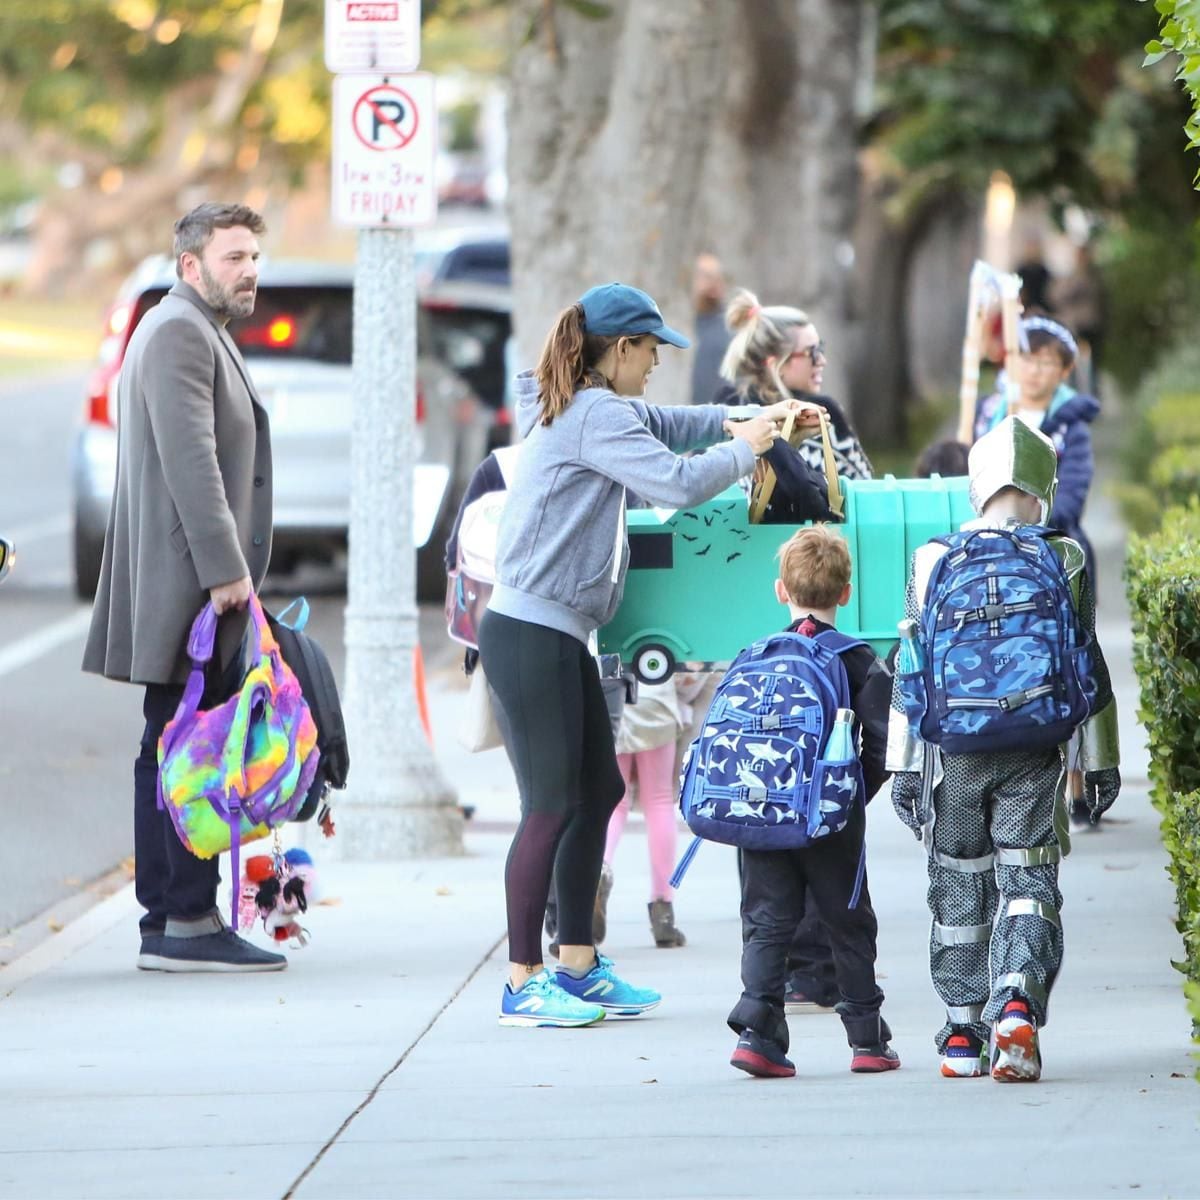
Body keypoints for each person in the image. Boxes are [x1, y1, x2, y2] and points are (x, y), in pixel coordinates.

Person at [480, 281, 814, 1028]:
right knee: (547, 808)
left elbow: (673, 421)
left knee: (599, 793)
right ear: (621, 348)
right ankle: (521, 978)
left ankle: (576, 964)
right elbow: (677, 480)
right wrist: (745, 448)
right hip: (530, 631)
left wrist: (754, 417)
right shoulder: (594, 413)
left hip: (562, 632)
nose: (658, 362)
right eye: (653, 349)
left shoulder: (598, 405)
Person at [81, 202, 284, 972]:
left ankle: (171, 918)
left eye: (255, 257)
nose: (251, 271)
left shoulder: (195, 330)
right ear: (191, 265)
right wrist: (226, 571)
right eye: (234, 257)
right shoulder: (176, 332)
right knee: (185, 746)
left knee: (171, 741)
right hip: (191, 583)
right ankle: (184, 918)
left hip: (193, 579)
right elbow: (191, 458)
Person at [888, 417, 1121, 1082]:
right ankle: (1017, 998)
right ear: (1043, 487)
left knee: (960, 884)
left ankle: (962, 1035)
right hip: (1036, 747)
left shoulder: (932, 559)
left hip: (954, 754)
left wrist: (902, 767)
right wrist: (1099, 761)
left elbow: (912, 664)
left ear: (977, 485)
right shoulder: (1063, 556)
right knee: (1028, 880)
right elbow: (1088, 663)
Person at [727, 524, 897, 1078]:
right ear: (846, 593)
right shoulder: (859, 662)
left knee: (767, 920)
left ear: (781, 591)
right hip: (830, 823)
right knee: (848, 922)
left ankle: (758, 1032)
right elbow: (882, 748)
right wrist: (846, 801)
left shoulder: (755, 654)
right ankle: (867, 1041)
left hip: (762, 813)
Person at [973, 316, 1098, 587]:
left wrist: (1022, 525)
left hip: (1050, 550)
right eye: (1027, 359)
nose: (1034, 371)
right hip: (982, 547)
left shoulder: (1070, 428)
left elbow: (1071, 497)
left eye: (1046, 362)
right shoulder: (985, 415)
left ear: (1065, 371)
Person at [718, 287, 874, 482]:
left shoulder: (725, 406)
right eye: (812, 352)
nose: (822, 360)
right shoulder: (820, 413)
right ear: (776, 363)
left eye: (821, 349)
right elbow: (864, 489)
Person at [601, 677, 689, 950]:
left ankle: (598, 873)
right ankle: (663, 910)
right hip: (656, 699)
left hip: (611, 698)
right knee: (660, 801)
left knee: (613, 803)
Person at [689, 253, 731, 407]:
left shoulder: (729, 328)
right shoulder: (684, 326)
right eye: (706, 276)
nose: (712, 283)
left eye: (716, 277)